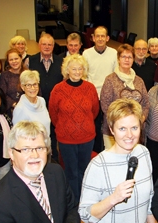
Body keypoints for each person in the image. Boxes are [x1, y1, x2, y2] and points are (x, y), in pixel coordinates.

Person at [79, 98, 158, 223]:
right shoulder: (98, 165)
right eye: (122, 128)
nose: (130, 135)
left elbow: (148, 199)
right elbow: (86, 214)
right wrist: (113, 198)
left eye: (134, 127)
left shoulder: (143, 153)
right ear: (112, 130)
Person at [49, 54, 99, 203]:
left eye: (80, 69)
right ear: (67, 70)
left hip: (87, 138)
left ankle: (85, 200)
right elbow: (53, 114)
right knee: (71, 172)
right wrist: (67, 127)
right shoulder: (58, 89)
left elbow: (94, 111)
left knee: (84, 171)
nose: (77, 72)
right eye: (74, 69)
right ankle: (74, 203)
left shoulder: (90, 88)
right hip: (66, 140)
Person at [100, 44, 149, 149]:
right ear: (118, 59)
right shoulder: (110, 79)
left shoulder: (139, 80)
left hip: (134, 131)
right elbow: (105, 105)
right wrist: (121, 122)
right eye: (123, 57)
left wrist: (141, 119)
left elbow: (146, 103)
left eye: (130, 57)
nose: (127, 60)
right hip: (114, 131)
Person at [83, 26, 118, 153]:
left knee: (111, 126)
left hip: (110, 96)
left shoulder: (114, 53)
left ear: (107, 38)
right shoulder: (86, 54)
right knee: (95, 127)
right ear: (93, 38)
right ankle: (96, 153)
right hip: (93, 96)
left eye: (103, 36)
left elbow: (116, 75)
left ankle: (112, 151)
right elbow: (84, 75)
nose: (100, 38)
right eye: (97, 36)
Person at [28, 33, 63, 161]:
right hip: (37, 105)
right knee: (38, 132)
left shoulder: (61, 62)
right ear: (39, 45)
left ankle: (53, 158)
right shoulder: (30, 61)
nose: (47, 47)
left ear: (53, 46)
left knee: (54, 132)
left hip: (56, 105)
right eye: (44, 44)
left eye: (50, 44)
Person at [12, 70, 51, 137]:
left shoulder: (42, 101)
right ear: (22, 87)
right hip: (31, 146)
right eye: (28, 85)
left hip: (46, 144)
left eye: (35, 84)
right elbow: (17, 135)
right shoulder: (20, 108)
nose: (32, 88)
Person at [0, 48, 26, 118]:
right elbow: (3, 94)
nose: (14, 61)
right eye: (11, 59)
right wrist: (14, 104)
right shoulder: (4, 75)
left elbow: (36, 92)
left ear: (21, 58)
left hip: (27, 109)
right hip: (11, 111)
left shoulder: (28, 73)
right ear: (8, 61)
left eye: (16, 58)